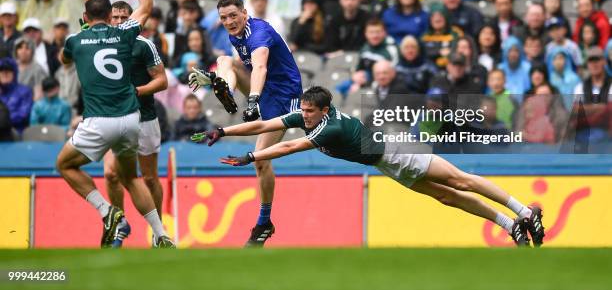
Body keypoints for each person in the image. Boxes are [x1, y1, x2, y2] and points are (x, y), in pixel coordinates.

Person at [193, 86, 545, 247]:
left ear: (325, 111)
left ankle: (522, 210)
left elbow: (291, 145)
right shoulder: (307, 114)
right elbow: (264, 126)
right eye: (304, 111)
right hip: (387, 163)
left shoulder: (330, 126)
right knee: (447, 197)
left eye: (311, 112)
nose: (305, 116)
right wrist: (223, 130)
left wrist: (251, 157)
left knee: (460, 181)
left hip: (395, 150)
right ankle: (509, 224)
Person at [55, 0, 174, 248]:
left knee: (65, 164)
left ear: (84, 16)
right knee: (130, 177)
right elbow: (146, 7)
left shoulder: (75, 39)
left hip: (99, 120)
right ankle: (161, 236)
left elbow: (64, 60)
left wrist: (76, 50)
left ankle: (108, 212)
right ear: (110, 17)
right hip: (130, 120)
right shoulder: (123, 34)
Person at [187, 0, 302, 246]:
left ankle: (264, 222)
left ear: (244, 13)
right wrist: (221, 79)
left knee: (260, 160)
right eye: (223, 18)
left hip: (283, 97)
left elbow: (260, 67)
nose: (229, 21)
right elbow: (243, 65)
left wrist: (252, 100)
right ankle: (224, 89)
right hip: (265, 91)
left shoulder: (259, 33)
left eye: (233, 16)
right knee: (224, 60)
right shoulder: (234, 35)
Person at [102, 0, 168, 241]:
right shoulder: (102, 46)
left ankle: (158, 232)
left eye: (123, 18)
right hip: (114, 117)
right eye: (115, 18)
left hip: (144, 118)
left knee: (149, 178)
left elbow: (162, 81)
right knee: (111, 174)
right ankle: (118, 224)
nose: (119, 22)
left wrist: (137, 91)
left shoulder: (143, 45)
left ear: (133, 20)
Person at [0, 55, 32, 136]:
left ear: (14, 73)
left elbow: (23, 114)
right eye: (2, 70)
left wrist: (4, 121)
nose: (5, 73)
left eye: (9, 70)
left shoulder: (24, 91)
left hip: (16, 133)